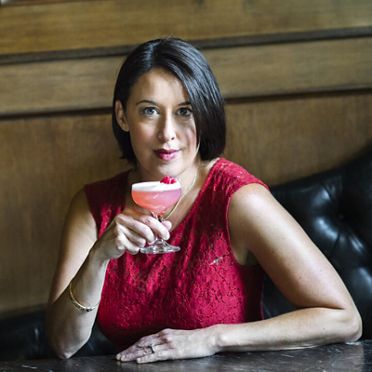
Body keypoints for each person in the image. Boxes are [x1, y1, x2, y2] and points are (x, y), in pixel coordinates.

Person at [46, 37, 362, 363]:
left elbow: (344, 319)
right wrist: (98, 258)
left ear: (205, 116)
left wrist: (212, 338)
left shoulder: (238, 199)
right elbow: (63, 344)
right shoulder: (93, 206)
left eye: (185, 111)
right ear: (123, 116)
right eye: (150, 111)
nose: (167, 132)